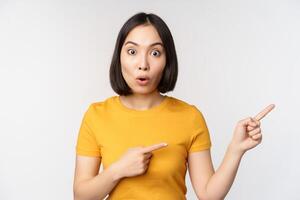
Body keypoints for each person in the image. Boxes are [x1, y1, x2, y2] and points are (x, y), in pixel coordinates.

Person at [73, 12, 275, 200]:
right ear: (119, 57)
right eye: (132, 51)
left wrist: (235, 149)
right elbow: (81, 196)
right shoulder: (97, 115)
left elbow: (208, 194)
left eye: (155, 53)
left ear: (167, 60)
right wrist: (118, 170)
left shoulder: (189, 116)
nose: (142, 64)